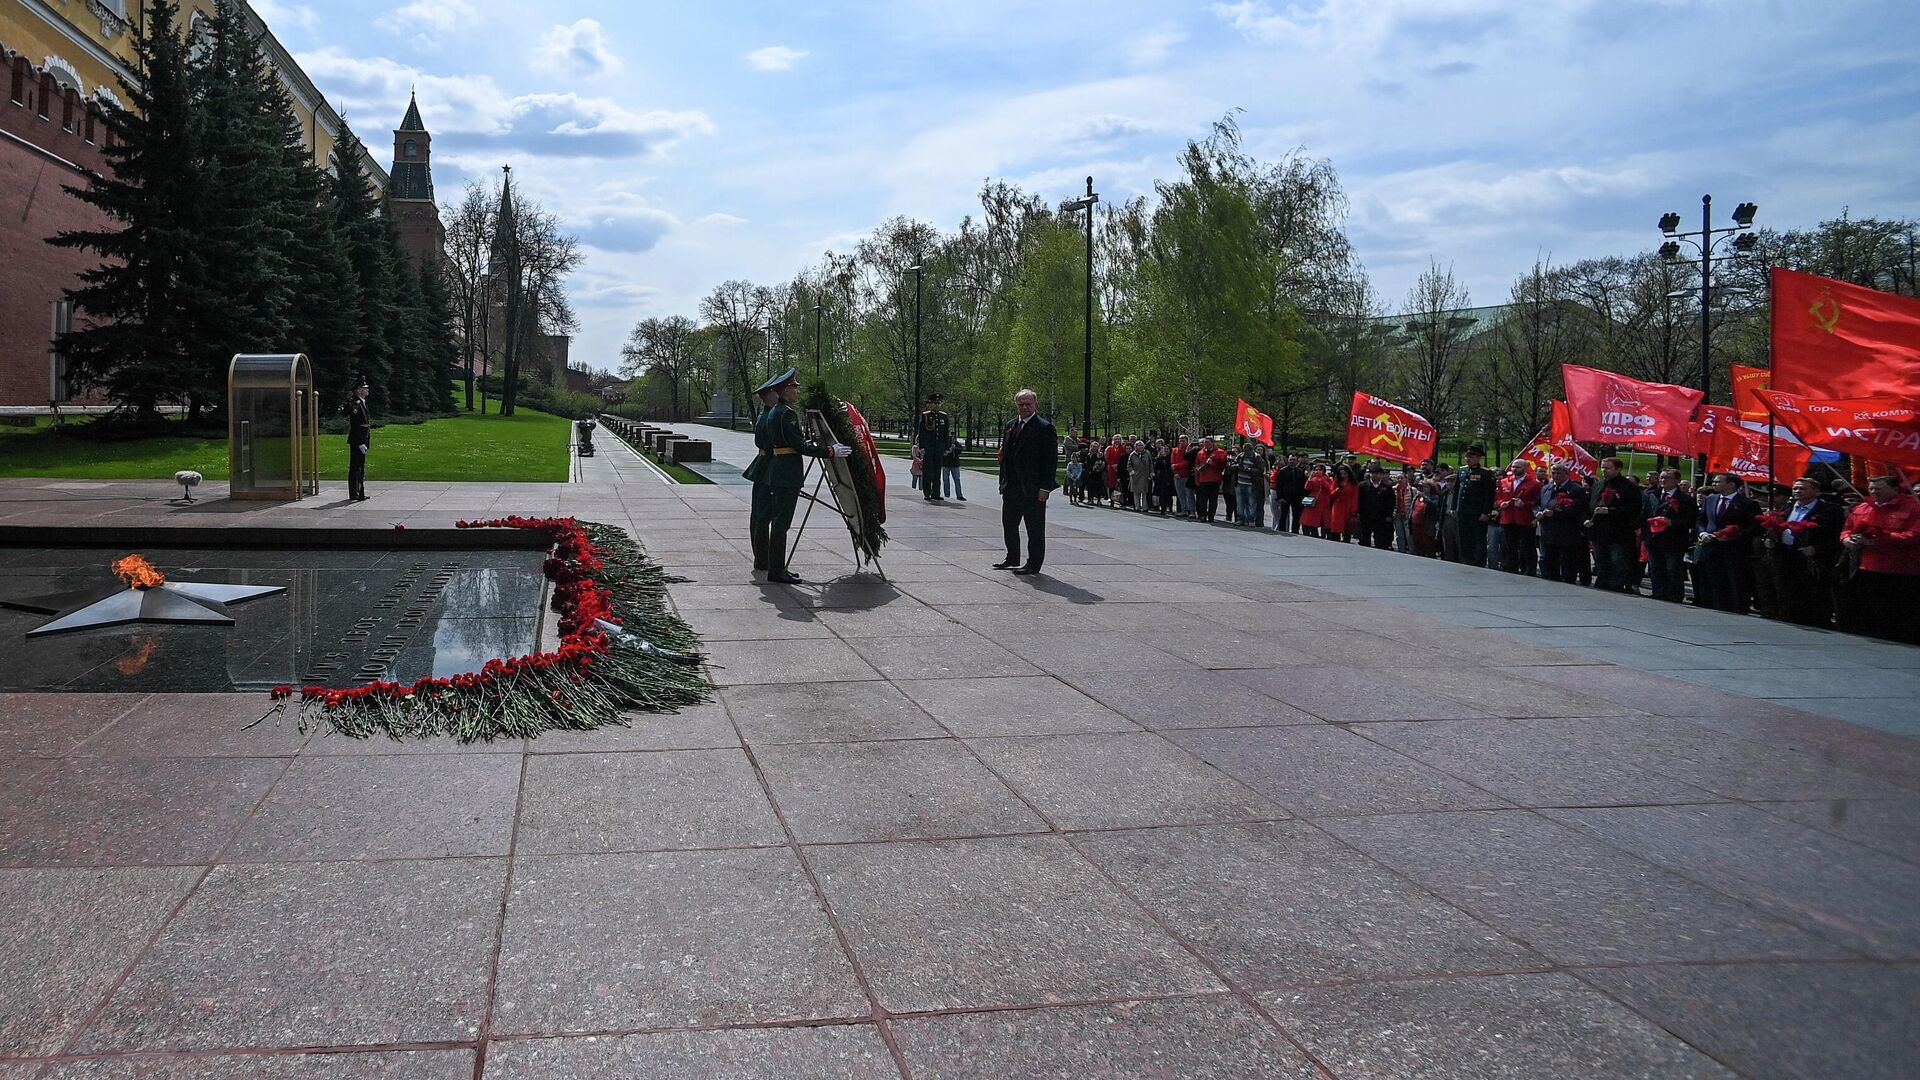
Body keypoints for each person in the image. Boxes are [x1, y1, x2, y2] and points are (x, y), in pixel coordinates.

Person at [744, 368, 845, 584]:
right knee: (781, 523)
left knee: (777, 521)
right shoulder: (785, 413)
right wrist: (829, 451)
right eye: (795, 387)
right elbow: (797, 444)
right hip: (785, 473)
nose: (798, 390)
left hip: (779, 471)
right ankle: (777, 570)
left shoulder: (775, 411)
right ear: (786, 390)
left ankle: (776, 567)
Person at [1835, 475, 1920, 643]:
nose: (1874, 492)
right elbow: (1847, 528)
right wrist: (1847, 540)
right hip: (1867, 567)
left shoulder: (1913, 508)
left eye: (1878, 488)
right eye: (1872, 488)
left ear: (1895, 489)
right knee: (1870, 609)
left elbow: (1914, 535)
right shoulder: (1864, 507)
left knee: (1900, 611)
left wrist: (1880, 539)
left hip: (1901, 569)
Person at [994, 389, 1059, 575]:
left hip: (1033, 488)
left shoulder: (1044, 428)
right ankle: (1012, 557)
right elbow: (1006, 456)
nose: (1024, 407)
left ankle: (1033, 564)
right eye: (1021, 404)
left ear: (1035, 405)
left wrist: (1045, 487)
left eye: (1028, 404)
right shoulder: (1010, 425)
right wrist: (1003, 482)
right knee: (1009, 524)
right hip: (1011, 487)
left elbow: (1050, 461)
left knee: (1034, 529)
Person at [1767, 476, 1844, 626]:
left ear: (1815, 491)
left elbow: (1836, 536)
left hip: (1812, 559)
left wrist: (1817, 549)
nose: (1797, 491)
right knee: (1787, 591)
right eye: (1795, 488)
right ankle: (1788, 618)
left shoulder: (1829, 510)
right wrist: (1772, 539)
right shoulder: (1787, 508)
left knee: (1812, 594)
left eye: (1802, 488)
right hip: (1786, 556)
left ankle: (1816, 621)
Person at [1692, 472, 1759, 612]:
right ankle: (1716, 605)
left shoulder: (1747, 504)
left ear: (1731, 484)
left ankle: (1737, 607)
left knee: (1735, 580)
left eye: (1718, 482)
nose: (1714, 484)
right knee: (1714, 579)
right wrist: (1703, 532)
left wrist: (1735, 534)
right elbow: (1701, 519)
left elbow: (1755, 528)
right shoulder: (1711, 499)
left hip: (1734, 549)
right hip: (1711, 546)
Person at [1585, 457, 1641, 592]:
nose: (1604, 470)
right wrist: (1587, 519)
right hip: (1599, 531)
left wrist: (1610, 511)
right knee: (1601, 559)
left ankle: (1616, 585)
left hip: (1618, 532)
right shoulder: (1597, 485)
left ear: (1618, 469)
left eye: (1608, 468)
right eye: (1603, 467)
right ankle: (1602, 582)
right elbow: (1589, 504)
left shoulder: (1629, 487)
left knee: (1616, 561)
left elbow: (1635, 509)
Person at [1642, 467, 1697, 603]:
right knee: (1655, 567)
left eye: (1667, 478)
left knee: (1673, 568)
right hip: (1654, 538)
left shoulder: (1685, 499)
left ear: (1677, 481)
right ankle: (1658, 591)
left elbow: (1691, 520)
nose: (1663, 480)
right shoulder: (1652, 495)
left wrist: (1671, 522)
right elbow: (1645, 513)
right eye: (1661, 477)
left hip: (1673, 540)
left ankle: (1674, 594)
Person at [1535, 463, 1588, 584]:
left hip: (1566, 531)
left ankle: (1567, 580)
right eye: (1553, 472)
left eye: (1558, 473)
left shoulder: (1576, 489)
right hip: (1548, 529)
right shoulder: (1546, 488)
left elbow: (1577, 510)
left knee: (1567, 560)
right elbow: (1537, 504)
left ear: (1566, 473)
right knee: (1548, 558)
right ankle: (1550, 579)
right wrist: (1537, 512)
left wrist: (1556, 514)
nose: (1555, 475)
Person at [1444, 445, 1496, 565]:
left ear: (1478, 458)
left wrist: (1486, 512)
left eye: (1471, 456)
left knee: (1478, 538)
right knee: (1464, 536)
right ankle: (1466, 559)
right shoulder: (1462, 470)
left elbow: (1489, 495)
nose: (1468, 459)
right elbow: (1457, 490)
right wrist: (1454, 507)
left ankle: (1478, 561)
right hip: (1462, 510)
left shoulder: (1486, 473)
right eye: (1467, 456)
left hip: (1477, 511)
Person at [1494, 461, 1543, 575]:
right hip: (1508, 518)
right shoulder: (1504, 482)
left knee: (1527, 546)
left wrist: (1525, 504)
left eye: (1518, 467)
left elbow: (1537, 501)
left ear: (1525, 468)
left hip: (1525, 520)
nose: (1515, 469)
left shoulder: (1534, 483)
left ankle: (1529, 570)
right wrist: (1501, 503)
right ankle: (1512, 569)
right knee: (1510, 546)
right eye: (1513, 466)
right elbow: (1497, 498)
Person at [917, 393, 952, 501]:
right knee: (928, 471)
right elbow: (921, 432)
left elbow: (946, 434)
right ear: (930, 404)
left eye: (938, 403)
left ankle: (936, 492)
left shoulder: (944, 416)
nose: (936, 405)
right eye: (934, 403)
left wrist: (946, 448)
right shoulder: (926, 415)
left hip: (939, 448)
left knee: (937, 471)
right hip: (929, 448)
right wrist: (922, 446)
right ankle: (927, 492)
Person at [346, 376, 371, 502]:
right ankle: (354, 493)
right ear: (359, 390)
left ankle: (360, 491)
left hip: (363, 439)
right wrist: (361, 442)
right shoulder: (356, 405)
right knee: (355, 467)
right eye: (364, 388)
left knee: (360, 467)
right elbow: (356, 425)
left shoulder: (363, 403)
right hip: (357, 440)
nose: (367, 390)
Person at [1357, 465, 1395, 548]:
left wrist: (1389, 515)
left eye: (1378, 473)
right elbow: (1358, 500)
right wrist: (1358, 512)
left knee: (1380, 539)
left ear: (1381, 475)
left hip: (1381, 517)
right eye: (1373, 473)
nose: (1375, 475)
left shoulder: (1387, 487)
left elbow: (1391, 502)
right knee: (1365, 538)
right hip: (1366, 516)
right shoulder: (1362, 485)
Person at [1194, 437, 1226, 522]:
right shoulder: (1200, 453)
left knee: (1213, 499)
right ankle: (1203, 515)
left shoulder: (1220, 452)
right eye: (1204, 442)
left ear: (1213, 442)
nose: (1205, 444)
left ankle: (1211, 516)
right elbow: (1197, 466)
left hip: (1214, 479)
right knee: (1202, 499)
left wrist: (1213, 465)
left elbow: (1223, 466)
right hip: (1203, 479)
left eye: (1207, 442)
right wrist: (1197, 478)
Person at [1273, 454, 1307, 533]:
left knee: (1296, 515)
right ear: (1288, 460)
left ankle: (1295, 530)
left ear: (1297, 461)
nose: (1292, 461)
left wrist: (1302, 497)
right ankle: (1282, 530)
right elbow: (1279, 485)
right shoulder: (1282, 471)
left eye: (1294, 460)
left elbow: (1302, 485)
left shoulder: (1300, 471)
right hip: (1285, 496)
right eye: (1291, 459)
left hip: (1296, 497)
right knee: (1283, 515)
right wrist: (1280, 497)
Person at [1327, 463, 1360, 542]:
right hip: (1338, 505)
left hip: (1348, 505)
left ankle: (1346, 539)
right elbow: (1330, 494)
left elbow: (1355, 497)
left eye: (1345, 474)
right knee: (1336, 524)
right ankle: (1335, 538)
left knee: (1347, 526)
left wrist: (1354, 509)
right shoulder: (1336, 482)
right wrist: (1336, 490)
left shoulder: (1353, 484)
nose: (1343, 476)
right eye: (1341, 474)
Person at [1300, 462, 1334, 538]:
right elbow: (1307, 487)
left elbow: (1329, 488)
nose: (1318, 471)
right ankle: (1313, 531)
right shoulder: (1313, 478)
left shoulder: (1327, 479)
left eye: (1320, 470)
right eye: (1316, 470)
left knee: (1324, 519)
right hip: (1314, 500)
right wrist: (1310, 477)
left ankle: (1323, 534)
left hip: (1324, 501)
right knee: (1311, 518)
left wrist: (1322, 480)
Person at [1170, 435, 1194, 518]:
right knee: (1180, 494)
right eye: (1180, 440)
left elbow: (1187, 462)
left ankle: (1192, 511)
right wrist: (1175, 472)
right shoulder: (1175, 450)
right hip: (1177, 475)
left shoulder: (1189, 450)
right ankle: (1184, 510)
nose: (1182, 442)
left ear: (1187, 441)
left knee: (1189, 494)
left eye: (1183, 440)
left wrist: (1176, 466)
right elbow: (1172, 462)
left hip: (1186, 474)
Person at [1151, 440, 1175, 516]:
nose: (1165, 451)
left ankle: (1170, 509)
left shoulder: (1171, 458)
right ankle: (1163, 509)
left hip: (1170, 477)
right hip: (1161, 478)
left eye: (1167, 449)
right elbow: (1156, 468)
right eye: (1164, 449)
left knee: (1169, 495)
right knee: (1162, 495)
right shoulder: (1159, 458)